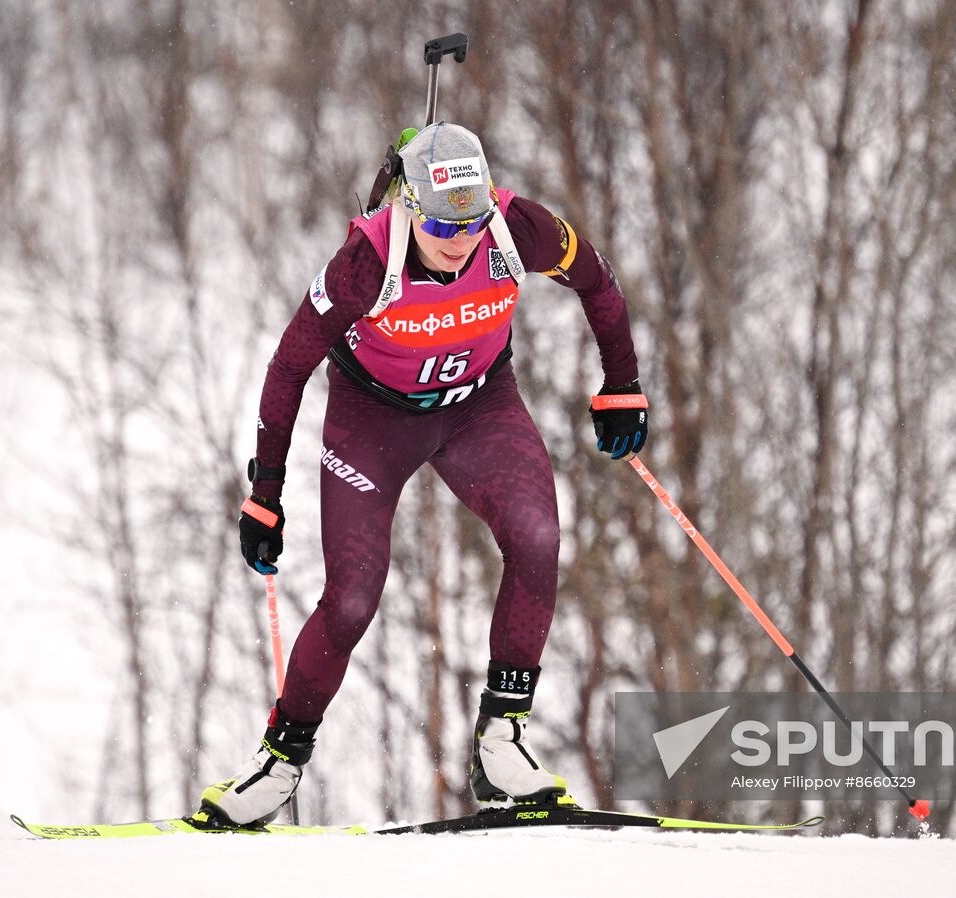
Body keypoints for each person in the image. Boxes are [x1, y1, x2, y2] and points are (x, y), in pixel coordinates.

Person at [199, 122, 649, 826]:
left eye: (471, 220)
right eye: (440, 220)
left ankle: (500, 742)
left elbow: (599, 282)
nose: (458, 236)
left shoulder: (516, 228)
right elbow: (289, 367)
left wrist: (622, 384)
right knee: (352, 600)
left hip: (479, 408)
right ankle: (279, 764)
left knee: (537, 539)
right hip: (372, 420)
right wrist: (264, 496)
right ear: (407, 202)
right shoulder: (363, 262)